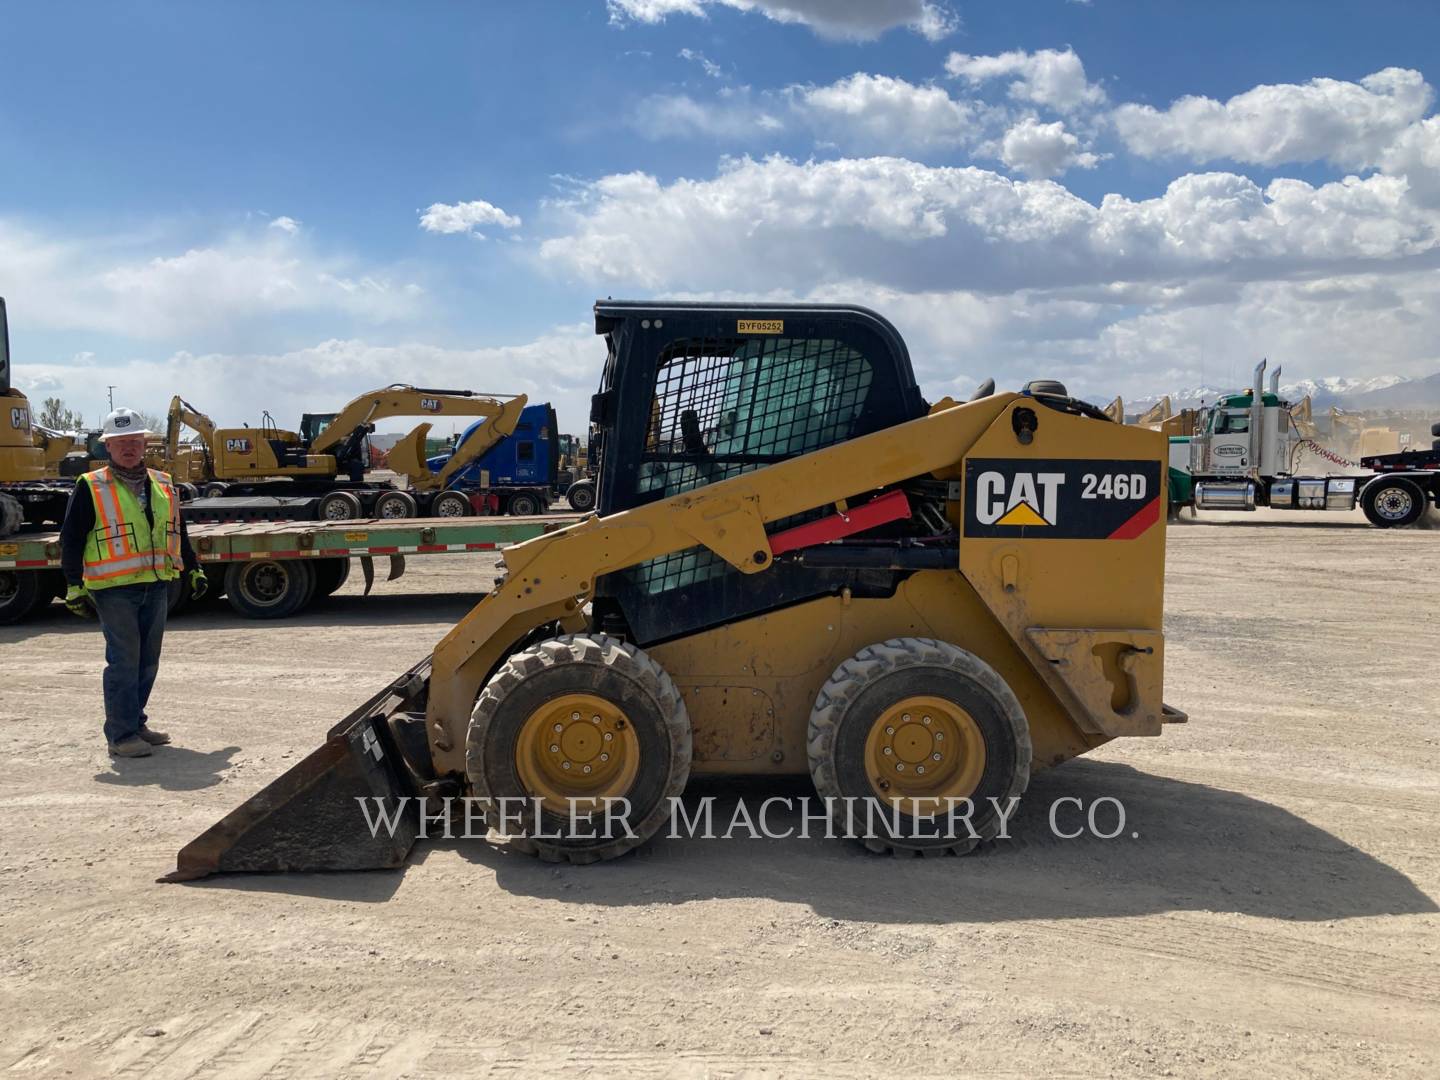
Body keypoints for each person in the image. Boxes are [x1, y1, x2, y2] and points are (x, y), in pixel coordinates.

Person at [59, 407, 208, 758]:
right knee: (125, 660)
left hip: (156, 584)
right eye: (120, 442)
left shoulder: (163, 483)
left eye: (134, 441)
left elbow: (178, 530)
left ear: (145, 444)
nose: (128, 448)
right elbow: (72, 538)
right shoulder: (91, 486)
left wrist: (194, 567)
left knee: (147, 661)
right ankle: (121, 735)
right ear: (106, 447)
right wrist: (73, 585)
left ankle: (136, 722)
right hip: (113, 588)